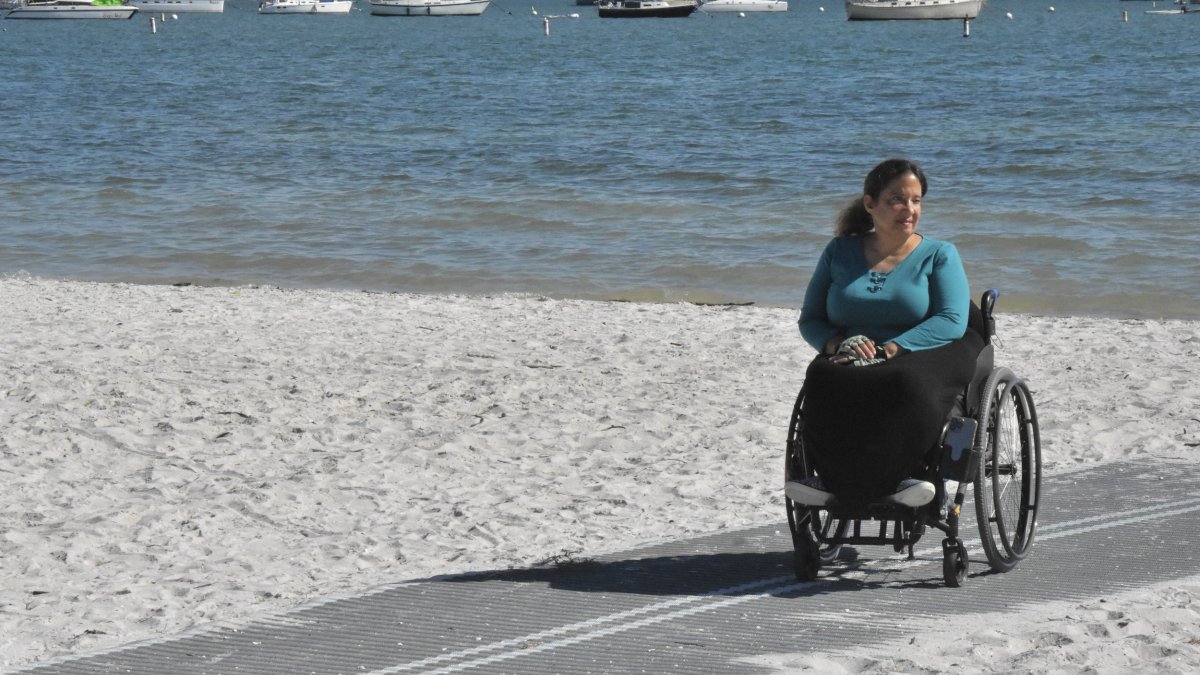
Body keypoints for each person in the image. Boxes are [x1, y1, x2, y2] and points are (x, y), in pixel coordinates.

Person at [792, 158, 983, 507]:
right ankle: (832, 480)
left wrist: (896, 347)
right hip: (855, 348)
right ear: (870, 204)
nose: (909, 209)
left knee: (905, 383)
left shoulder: (939, 254)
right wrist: (838, 342)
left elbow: (952, 319)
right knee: (822, 374)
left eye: (916, 200)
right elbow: (811, 319)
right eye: (897, 199)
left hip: (930, 343)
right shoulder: (839, 252)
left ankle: (906, 476)